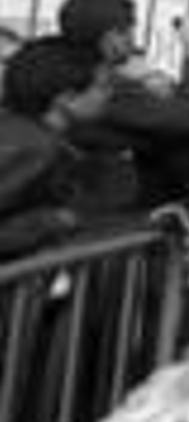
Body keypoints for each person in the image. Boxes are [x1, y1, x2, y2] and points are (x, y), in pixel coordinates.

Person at [56, 0, 189, 214]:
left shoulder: (81, 72)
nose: (134, 36)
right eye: (130, 29)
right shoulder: (99, 85)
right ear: (112, 37)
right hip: (117, 218)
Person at [0, 36, 121, 257]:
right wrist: (51, 221)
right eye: (103, 87)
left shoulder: (19, 129)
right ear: (66, 99)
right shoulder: (35, 148)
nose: (111, 94)